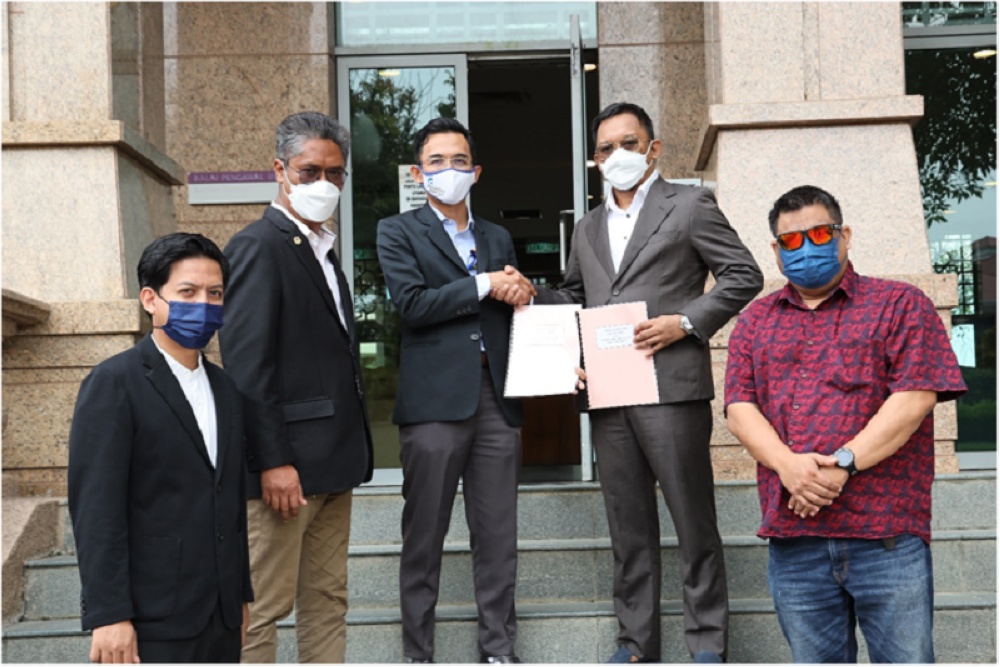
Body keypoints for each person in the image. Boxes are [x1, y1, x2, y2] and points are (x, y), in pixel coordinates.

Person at [516, 102, 763, 663]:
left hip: (673, 390)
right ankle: (635, 647)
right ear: (594, 160)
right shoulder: (586, 227)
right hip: (609, 394)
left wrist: (687, 321)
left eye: (629, 144)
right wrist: (536, 301)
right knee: (628, 532)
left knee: (694, 527)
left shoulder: (692, 203)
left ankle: (707, 647)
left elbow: (743, 274)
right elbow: (576, 299)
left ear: (652, 149)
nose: (617, 156)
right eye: (606, 149)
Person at [724, 185, 968, 663]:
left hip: (886, 537)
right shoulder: (754, 321)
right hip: (795, 540)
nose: (805, 247)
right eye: (790, 241)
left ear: (845, 235)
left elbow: (915, 396)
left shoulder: (899, 304)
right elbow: (738, 409)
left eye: (818, 233)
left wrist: (844, 463)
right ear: (775, 250)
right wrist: (789, 468)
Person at [376, 118, 536, 664]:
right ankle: (418, 653)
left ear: (476, 171)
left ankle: (499, 650)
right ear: (420, 174)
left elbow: (512, 312)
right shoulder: (396, 231)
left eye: (459, 161)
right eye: (437, 162)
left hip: (497, 398)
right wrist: (485, 284)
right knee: (424, 536)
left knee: (497, 537)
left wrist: (523, 297)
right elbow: (414, 306)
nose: (449, 170)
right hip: (434, 404)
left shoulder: (495, 236)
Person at [219, 111, 374, 663]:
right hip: (283, 473)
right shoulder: (258, 246)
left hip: (334, 465)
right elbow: (246, 367)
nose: (325, 185)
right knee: (262, 606)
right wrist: (271, 460)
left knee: (327, 599)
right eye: (311, 172)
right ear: (280, 171)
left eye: (336, 174)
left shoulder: (323, 248)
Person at [68, 233, 252, 663]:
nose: (203, 304)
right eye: (187, 292)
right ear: (150, 299)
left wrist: (239, 596)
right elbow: (97, 509)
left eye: (215, 293)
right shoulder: (114, 383)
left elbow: (229, 502)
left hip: (221, 617)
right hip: (150, 619)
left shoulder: (226, 388)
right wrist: (109, 614)